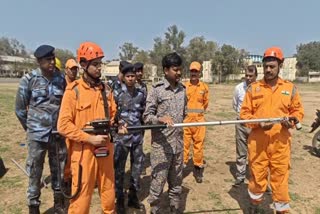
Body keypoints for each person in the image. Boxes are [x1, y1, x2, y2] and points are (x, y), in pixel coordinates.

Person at [57, 42, 126, 214]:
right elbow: (63, 126)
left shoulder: (106, 90)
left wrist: (119, 125)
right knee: (81, 200)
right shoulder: (73, 91)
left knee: (109, 193)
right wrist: (89, 138)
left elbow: (113, 116)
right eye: (95, 64)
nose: (99, 68)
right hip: (83, 152)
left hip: (105, 148)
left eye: (100, 63)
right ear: (83, 65)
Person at [240, 47, 304, 213]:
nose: (268, 70)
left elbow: (297, 111)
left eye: (272, 66)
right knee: (257, 177)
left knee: (280, 179)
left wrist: (292, 120)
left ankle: (282, 210)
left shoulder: (290, 89)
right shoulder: (253, 88)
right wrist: (258, 124)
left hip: (280, 143)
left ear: (280, 66)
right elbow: (244, 115)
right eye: (266, 66)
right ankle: (254, 205)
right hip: (258, 143)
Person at [15, 45, 67, 214]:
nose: (52, 62)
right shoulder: (29, 79)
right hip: (36, 135)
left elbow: (66, 106)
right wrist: (31, 128)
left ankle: (59, 204)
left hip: (57, 135)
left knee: (58, 169)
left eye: (53, 58)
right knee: (35, 171)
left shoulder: (61, 78)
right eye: (48, 60)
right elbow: (20, 109)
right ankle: (33, 206)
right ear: (39, 61)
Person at [143, 52, 187, 214]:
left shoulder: (183, 90)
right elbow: (146, 117)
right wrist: (160, 119)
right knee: (157, 183)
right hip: (161, 148)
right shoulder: (156, 90)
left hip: (179, 145)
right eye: (175, 69)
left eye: (180, 69)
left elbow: (185, 113)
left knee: (176, 182)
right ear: (166, 70)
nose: (179, 73)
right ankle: (155, 210)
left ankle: (174, 209)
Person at [113, 63, 146, 213]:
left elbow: (144, 113)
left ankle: (133, 196)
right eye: (128, 76)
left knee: (136, 168)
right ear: (124, 77)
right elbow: (112, 114)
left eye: (133, 76)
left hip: (137, 137)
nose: (131, 78)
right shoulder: (117, 93)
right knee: (119, 169)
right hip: (122, 139)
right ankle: (119, 199)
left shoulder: (141, 93)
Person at [183, 61, 209, 183]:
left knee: (199, 146)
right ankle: (181, 167)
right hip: (186, 121)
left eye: (196, 71)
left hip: (199, 121)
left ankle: (198, 169)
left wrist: (198, 115)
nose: (193, 73)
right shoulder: (184, 86)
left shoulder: (204, 87)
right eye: (192, 71)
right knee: (184, 145)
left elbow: (206, 103)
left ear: (200, 73)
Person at [232, 65, 257, 186]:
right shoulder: (238, 88)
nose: (248, 78)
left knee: (256, 153)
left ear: (256, 76)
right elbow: (235, 104)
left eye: (251, 76)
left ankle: (256, 177)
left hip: (255, 126)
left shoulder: (260, 89)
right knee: (241, 151)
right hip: (241, 124)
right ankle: (240, 176)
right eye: (246, 75)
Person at [134, 62, 148, 175]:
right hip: (131, 119)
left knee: (140, 143)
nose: (139, 73)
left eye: (140, 71)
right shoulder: (130, 84)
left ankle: (140, 166)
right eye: (137, 71)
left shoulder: (143, 86)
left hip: (141, 120)